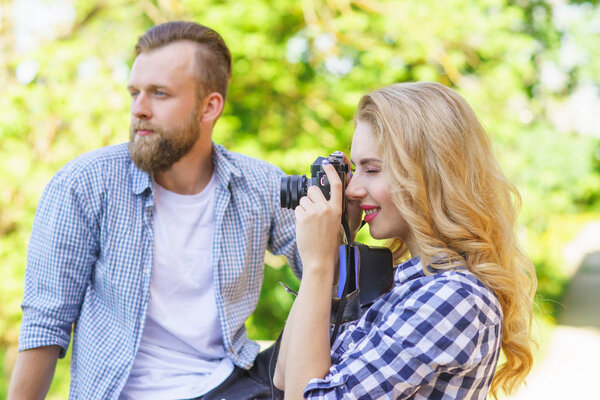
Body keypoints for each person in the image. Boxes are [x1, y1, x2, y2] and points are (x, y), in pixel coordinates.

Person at [8, 21, 301, 400]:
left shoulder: (259, 185)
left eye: (159, 94)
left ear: (209, 106)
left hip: (232, 385)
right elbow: (45, 324)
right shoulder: (84, 184)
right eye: (135, 93)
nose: (139, 110)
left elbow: (329, 276)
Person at [274, 82, 537, 399]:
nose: (353, 189)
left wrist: (316, 264)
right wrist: (330, 255)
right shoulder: (402, 282)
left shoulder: (454, 297)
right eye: (355, 170)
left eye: (372, 169)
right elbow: (284, 376)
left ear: (428, 174)